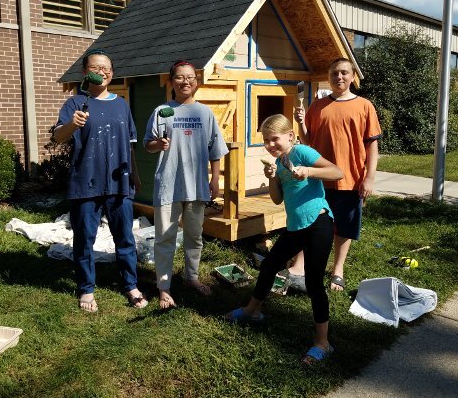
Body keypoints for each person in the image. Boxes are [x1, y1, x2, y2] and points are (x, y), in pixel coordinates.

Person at [224, 114, 343, 365]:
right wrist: (271, 177)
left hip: (319, 222)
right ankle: (252, 311)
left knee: (313, 282)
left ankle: (323, 343)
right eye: (266, 141)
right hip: (296, 226)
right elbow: (277, 199)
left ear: (290, 136)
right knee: (268, 266)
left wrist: (308, 171)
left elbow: (336, 171)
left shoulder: (302, 152)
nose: (270, 145)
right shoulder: (279, 163)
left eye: (275, 139)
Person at [53, 49, 148, 312]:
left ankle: (131, 285)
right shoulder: (75, 103)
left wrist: (136, 177)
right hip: (85, 182)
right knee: (84, 239)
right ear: (86, 73)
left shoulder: (121, 105)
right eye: (97, 67)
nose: (103, 72)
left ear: (112, 73)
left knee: (125, 238)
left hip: (119, 183)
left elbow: (130, 146)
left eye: (107, 68)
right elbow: (58, 137)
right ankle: (86, 289)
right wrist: (72, 124)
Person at [144, 60, 228, 309]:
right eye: (179, 77)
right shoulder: (162, 111)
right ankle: (164, 287)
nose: (185, 82)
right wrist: (158, 145)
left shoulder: (205, 113)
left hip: (197, 186)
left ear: (197, 81)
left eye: (190, 77)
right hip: (168, 185)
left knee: (195, 236)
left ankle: (191, 277)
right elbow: (148, 145)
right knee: (165, 238)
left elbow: (215, 150)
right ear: (172, 81)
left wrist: (215, 179)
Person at [293, 57, 382, 291]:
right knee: (311, 222)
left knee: (344, 226)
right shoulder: (316, 106)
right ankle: (300, 266)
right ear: (329, 77)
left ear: (353, 77)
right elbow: (307, 141)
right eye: (334, 73)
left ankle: (337, 269)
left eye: (344, 73)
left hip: (350, 179)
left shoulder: (365, 106)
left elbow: (372, 145)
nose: (339, 77)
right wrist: (300, 123)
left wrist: (369, 177)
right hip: (318, 179)